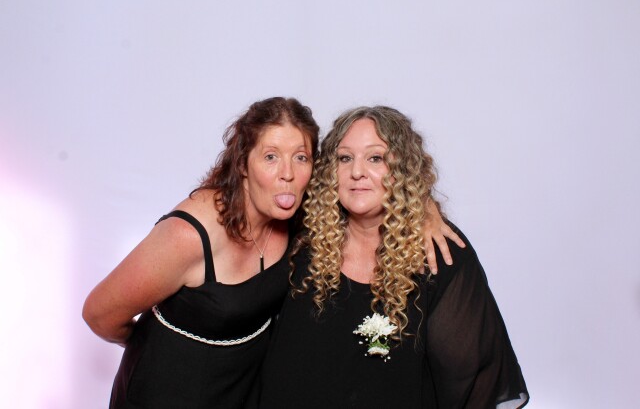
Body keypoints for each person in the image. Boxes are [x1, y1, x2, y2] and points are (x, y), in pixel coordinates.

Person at [83, 97, 461, 409]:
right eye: (270, 157)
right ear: (242, 164)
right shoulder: (190, 235)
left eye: (301, 157)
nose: (287, 174)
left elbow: (367, 190)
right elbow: (100, 314)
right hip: (168, 395)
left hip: (243, 394)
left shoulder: (298, 212)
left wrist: (424, 208)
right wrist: (151, 346)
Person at [257, 106, 529, 408]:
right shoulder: (302, 237)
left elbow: (474, 379)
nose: (357, 172)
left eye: (376, 158)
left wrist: (424, 207)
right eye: (345, 158)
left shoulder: (437, 254)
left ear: (403, 170)